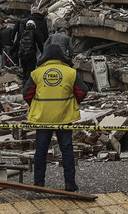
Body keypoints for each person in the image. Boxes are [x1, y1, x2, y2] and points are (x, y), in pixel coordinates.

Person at [23, 43, 88, 192]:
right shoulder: (71, 73)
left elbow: (26, 93)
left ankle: (38, 183)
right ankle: (70, 183)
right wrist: (72, 103)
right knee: (67, 150)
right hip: (64, 117)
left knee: (41, 151)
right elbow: (82, 91)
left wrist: (37, 105)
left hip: (42, 117)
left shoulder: (36, 73)